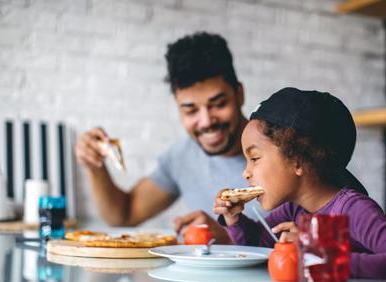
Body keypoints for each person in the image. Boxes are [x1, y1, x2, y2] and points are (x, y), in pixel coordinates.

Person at [213, 87, 386, 282]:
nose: (246, 173)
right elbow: (260, 246)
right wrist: (235, 220)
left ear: (296, 160)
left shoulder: (352, 210)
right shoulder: (295, 210)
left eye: (254, 158)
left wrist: (321, 252)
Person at [75, 32, 255, 243]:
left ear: (239, 94)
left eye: (218, 104)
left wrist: (229, 237)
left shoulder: (282, 150)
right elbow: (123, 215)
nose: (206, 121)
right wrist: (95, 166)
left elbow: (300, 240)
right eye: (190, 110)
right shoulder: (183, 156)